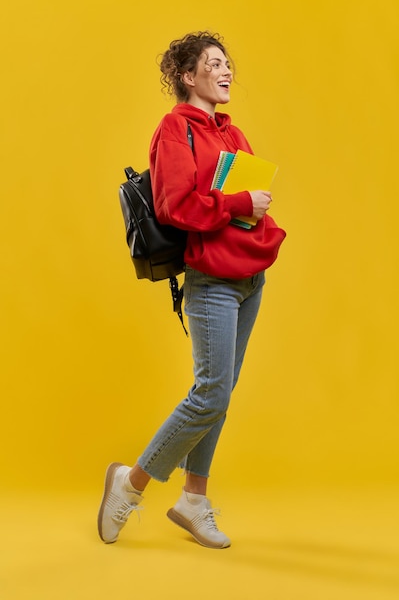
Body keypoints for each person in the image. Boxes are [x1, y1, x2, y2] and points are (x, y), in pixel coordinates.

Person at [98, 31, 286, 549]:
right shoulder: (173, 129)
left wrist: (261, 221)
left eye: (228, 63)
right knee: (210, 394)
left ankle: (193, 500)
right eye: (214, 63)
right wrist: (239, 203)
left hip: (250, 276)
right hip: (213, 281)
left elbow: (246, 205)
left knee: (220, 397)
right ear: (188, 75)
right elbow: (174, 207)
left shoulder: (232, 133)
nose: (226, 72)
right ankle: (130, 484)